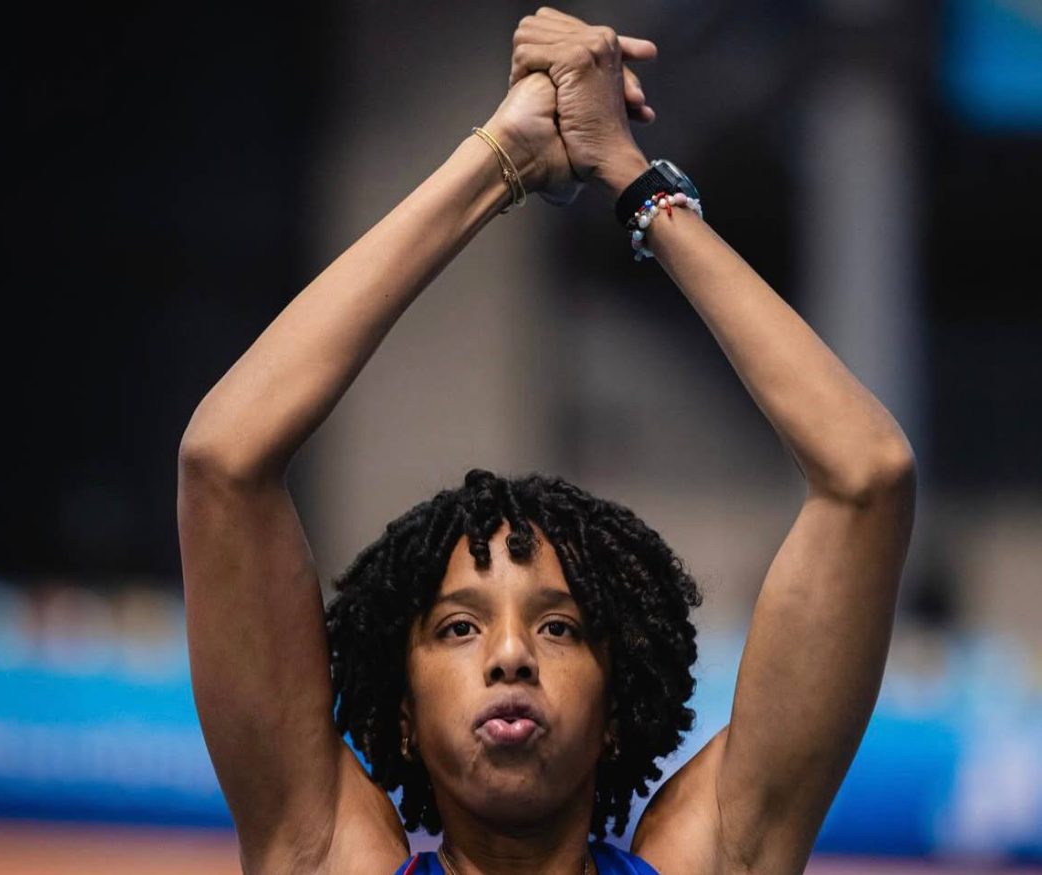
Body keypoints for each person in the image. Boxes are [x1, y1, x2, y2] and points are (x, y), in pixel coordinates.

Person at [177, 7, 916, 875]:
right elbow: (222, 463)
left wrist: (633, 179)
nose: (511, 656)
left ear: (616, 710)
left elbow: (868, 474)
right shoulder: (322, 857)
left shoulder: (712, 860)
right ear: (404, 715)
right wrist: (501, 158)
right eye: (458, 626)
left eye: (561, 627)